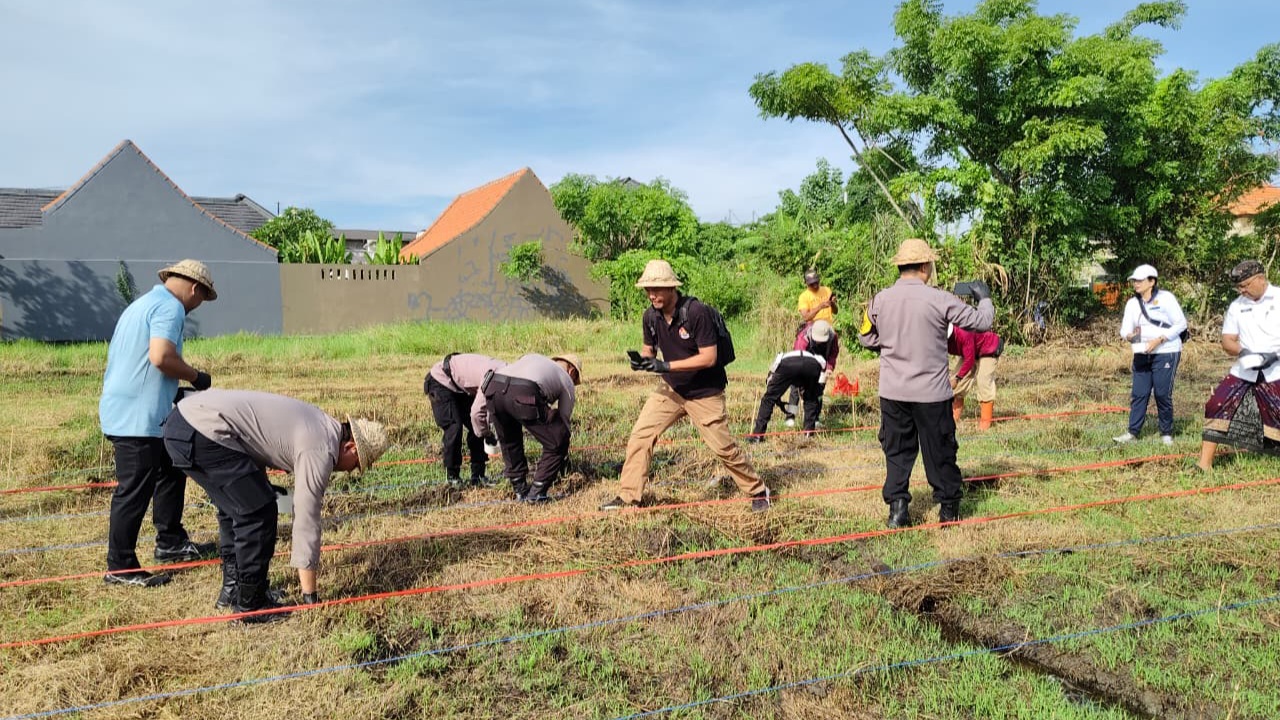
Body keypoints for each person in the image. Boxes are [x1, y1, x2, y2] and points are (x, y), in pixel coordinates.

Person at [162, 389, 388, 621]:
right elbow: (306, 517)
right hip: (203, 431)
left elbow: (255, 444)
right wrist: (310, 596)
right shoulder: (321, 447)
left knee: (238, 507)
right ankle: (252, 606)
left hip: (184, 423)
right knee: (259, 512)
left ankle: (234, 591)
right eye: (356, 464)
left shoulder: (320, 424)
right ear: (351, 447)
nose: (351, 471)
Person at [601, 259, 771, 512]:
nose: (651, 295)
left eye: (657, 289)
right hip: (671, 389)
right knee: (640, 436)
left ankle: (758, 490)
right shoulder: (650, 316)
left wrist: (666, 366)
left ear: (672, 288)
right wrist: (644, 361)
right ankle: (628, 497)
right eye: (648, 290)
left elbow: (709, 357)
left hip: (704, 392)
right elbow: (649, 349)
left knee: (723, 447)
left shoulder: (696, 312)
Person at [98, 259, 219, 588]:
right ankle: (120, 566)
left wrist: (171, 391)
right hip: (137, 418)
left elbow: (138, 361)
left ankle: (170, 541)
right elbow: (161, 356)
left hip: (132, 408)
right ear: (195, 289)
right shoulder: (171, 308)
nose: (197, 306)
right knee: (134, 490)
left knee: (171, 469)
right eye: (202, 299)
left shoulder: (142, 304)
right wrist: (196, 376)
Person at [858, 239, 994, 527]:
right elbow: (982, 323)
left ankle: (898, 512)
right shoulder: (940, 299)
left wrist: (894, 344)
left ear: (901, 266)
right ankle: (948, 511)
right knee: (940, 451)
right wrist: (984, 298)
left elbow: (865, 338)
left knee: (896, 452)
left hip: (893, 392)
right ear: (924, 266)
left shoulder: (879, 300)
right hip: (932, 394)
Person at [1196, 260, 1280, 472]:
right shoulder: (1237, 306)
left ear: (1260, 279)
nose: (1242, 291)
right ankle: (1204, 465)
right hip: (1245, 368)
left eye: (1245, 285)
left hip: (1276, 368)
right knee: (1216, 404)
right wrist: (1242, 352)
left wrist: (1274, 355)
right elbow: (1227, 340)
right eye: (1239, 287)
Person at [477, 353, 580, 502]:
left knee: (510, 440)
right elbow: (564, 421)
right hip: (523, 391)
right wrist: (561, 454)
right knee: (559, 439)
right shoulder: (566, 379)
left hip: (494, 387)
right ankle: (537, 493)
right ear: (572, 371)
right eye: (575, 380)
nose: (573, 383)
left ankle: (520, 490)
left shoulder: (535, 358)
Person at [1114, 264, 1187, 446]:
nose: (1136, 284)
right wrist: (1129, 336)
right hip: (1142, 352)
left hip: (1166, 350)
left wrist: (1159, 340)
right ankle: (1132, 432)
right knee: (1139, 393)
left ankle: (1166, 432)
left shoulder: (1166, 298)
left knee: (1162, 393)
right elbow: (1125, 329)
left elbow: (1181, 324)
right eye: (1134, 281)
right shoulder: (1132, 303)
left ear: (1152, 281)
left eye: (1140, 280)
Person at [425, 353, 507, 488]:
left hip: (460, 384)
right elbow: (477, 413)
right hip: (440, 380)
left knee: (478, 425)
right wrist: (487, 434)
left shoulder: (506, 375)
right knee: (454, 427)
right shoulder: (493, 380)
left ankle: (478, 476)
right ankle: (453, 478)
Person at [750, 320, 840, 439]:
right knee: (807, 396)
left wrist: (828, 369)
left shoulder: (832, 336)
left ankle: (758, 435)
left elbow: (832, 354)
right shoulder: (803, 336)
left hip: (796, 364)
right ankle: (797, 422)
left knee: (768, 399)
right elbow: (800, 354)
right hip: (813, 364)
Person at [786, 271, 839, 425]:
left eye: (817, 282)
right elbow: (806, 317)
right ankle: (790, 415)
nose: (815, 286)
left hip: (825, 336)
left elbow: (835, 311)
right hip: (811, 338)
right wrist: (820, 306)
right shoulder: (804, 297)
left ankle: (815, 417)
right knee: (797, 380)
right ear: (806, 284)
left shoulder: (827, 290)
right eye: (812, 284)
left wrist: (832, 303)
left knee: (820, 383)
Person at [947, 324, 1004, 430]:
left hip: (988, 348)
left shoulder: (963, 334)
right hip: (970, 351)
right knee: (955, 380)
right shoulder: (937, 339)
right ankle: (953, 418)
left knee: (983, 380)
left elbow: (969, 360)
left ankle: (985, 423)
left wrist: (957, 378)